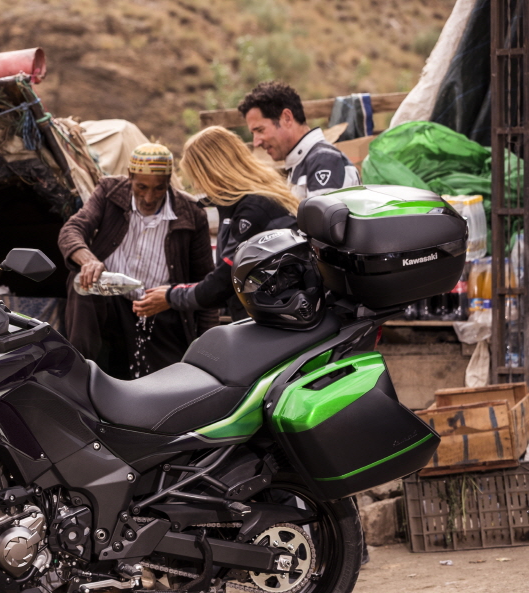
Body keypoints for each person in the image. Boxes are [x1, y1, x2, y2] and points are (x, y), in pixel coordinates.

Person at [58, 143, 217, 379]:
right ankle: (78, 374)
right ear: (130, 177)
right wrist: (89, 260)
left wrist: (208, 348)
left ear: (168, 182)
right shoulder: (109, 191)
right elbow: (72, 230)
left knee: (167, 385)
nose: (149, 197)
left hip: (159, 309)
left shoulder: (191, 213)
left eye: (158, 189)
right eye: (141, 187)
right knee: (84, 282)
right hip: (112, 304)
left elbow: (205, 285)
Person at [133, 126, 299, 322]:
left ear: (212, 172)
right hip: (275, 314)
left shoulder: (253, 210)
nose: (197, 186)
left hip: (278, 321)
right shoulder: (246, 202)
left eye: (197, 177)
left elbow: (225, 281)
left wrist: (171, 296)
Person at [238, 81, 360, 200]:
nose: (256, 142)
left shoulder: (323, 160)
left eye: (260, 130)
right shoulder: (302, 162)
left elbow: (323, 219)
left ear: (287, 118)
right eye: (253, 134)